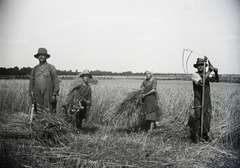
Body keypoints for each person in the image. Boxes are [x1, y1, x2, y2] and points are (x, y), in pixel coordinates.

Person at [189, 57, 219, 143]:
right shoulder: (195, 75)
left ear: (205, 66)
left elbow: (216, 80)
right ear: (196, 67)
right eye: (198, 65)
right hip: (198, 100)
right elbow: (201, 82)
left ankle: (205, 137)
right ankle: (197, 139)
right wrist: (209, 70)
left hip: (206, 100)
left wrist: (215, 72)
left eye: (202, 65)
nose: (200, 67)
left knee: (207, 117)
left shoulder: (207, 74)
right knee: (198, 117)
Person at [29, 47, 60, 113]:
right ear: (37, 57)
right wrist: (31, 93)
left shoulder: (51, 68)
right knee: (39, 111)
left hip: (49, 94)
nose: (41, 57)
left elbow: (56, 82)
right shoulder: (34, 69)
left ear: (46, 56)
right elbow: (31, 83)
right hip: (37, 94)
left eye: (43, 55)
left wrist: (54, 94)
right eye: (39, 55)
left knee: (49, 112)